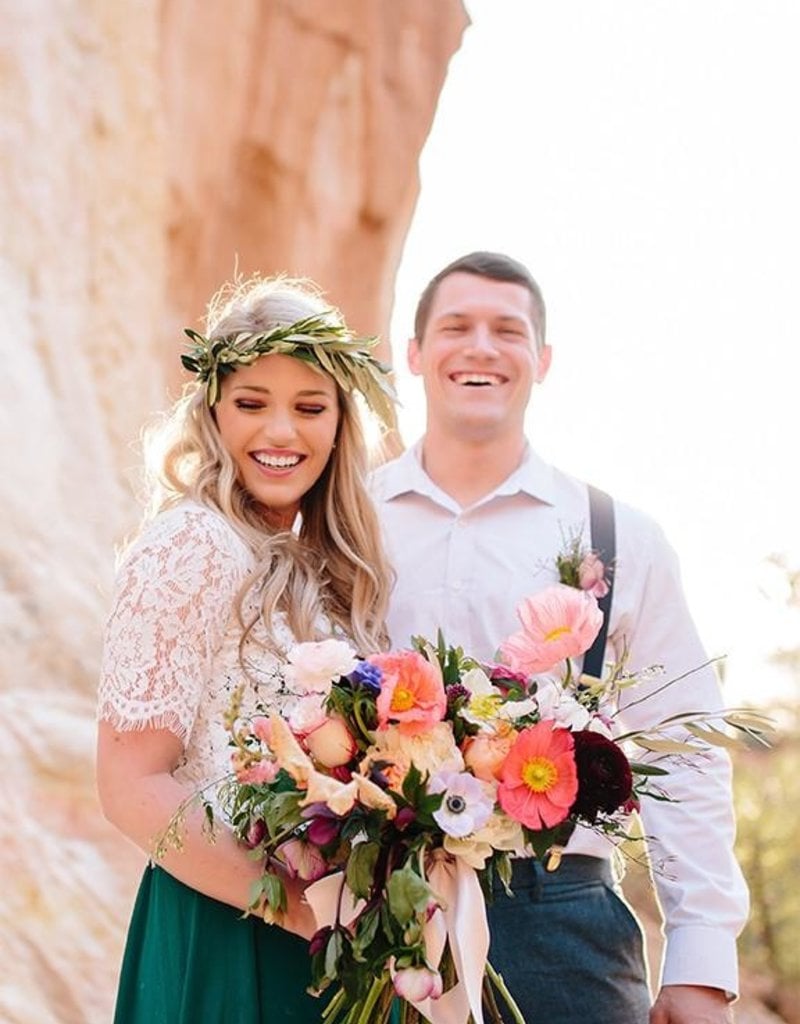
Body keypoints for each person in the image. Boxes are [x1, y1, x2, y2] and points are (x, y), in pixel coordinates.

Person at [370, 251, 749, 1024]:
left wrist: (703, 958)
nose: (481, 346)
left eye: (508, 330)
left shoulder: (616, 535)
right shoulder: (349, 520)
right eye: (456, 326)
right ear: (413, 354)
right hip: (375, 906)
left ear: (541, 360)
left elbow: (686, 747)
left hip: (563, 919)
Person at [96, 275, 395, 1024]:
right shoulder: (193, 545)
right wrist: (293, 907)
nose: (281, 433)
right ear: (213, 413)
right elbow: (130, 784)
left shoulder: (315, 569)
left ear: (339, 424)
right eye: (252, 403)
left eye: (309, 407)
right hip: (229, 923)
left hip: (322, 930)